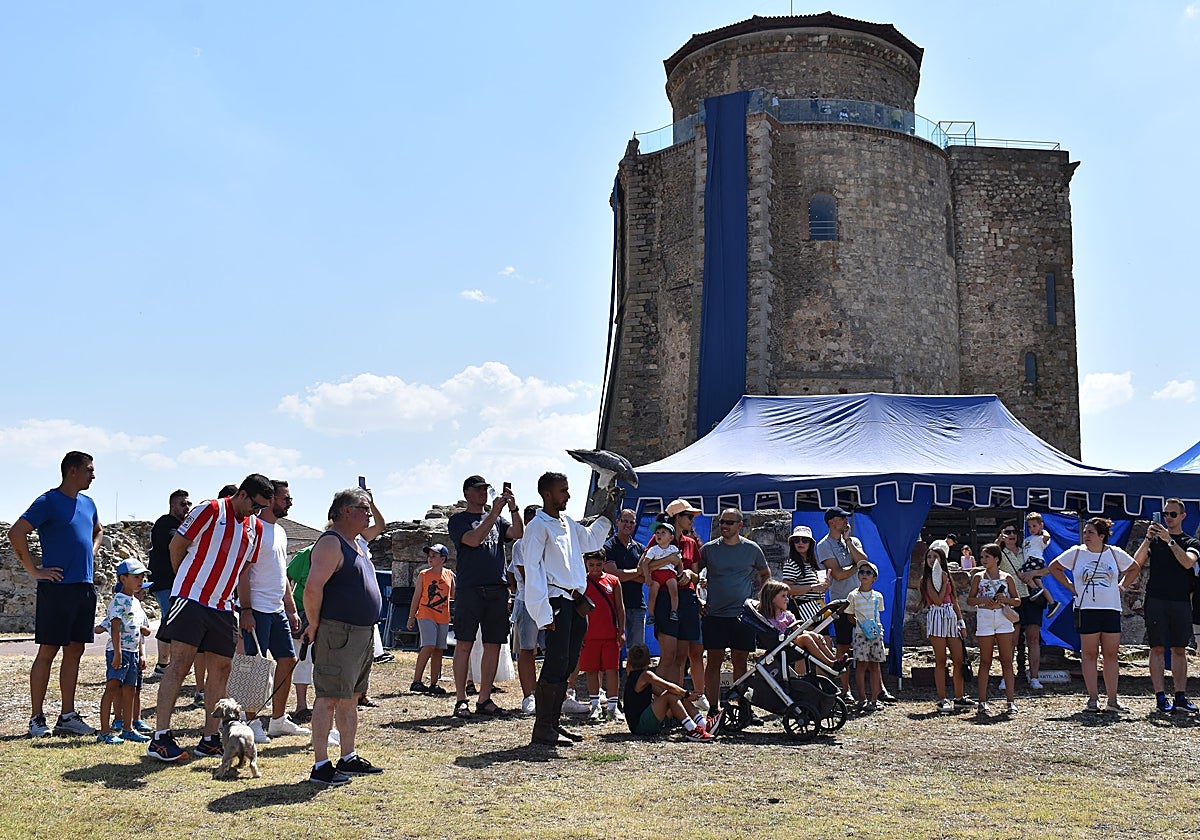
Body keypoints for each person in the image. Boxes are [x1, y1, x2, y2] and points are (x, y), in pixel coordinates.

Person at [146, 473, 273, 763]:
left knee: (222, 668)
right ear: (242, 494)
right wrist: (185, 585)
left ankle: (210, 737)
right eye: (255, 505)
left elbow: (243, 570)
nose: (257, 512)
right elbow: (176, 547)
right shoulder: (210, 510)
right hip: (191, 599)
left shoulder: (255, 527)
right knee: (180, 664)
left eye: (262, 508)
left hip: (223, 606)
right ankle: (160, 737)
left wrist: (246, 609)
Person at [8, 451, 102, 738]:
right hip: (56, 589)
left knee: (75, 650)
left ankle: (67, 716)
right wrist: (34, 571)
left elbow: (98, 531)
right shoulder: (48, 501)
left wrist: (92, 552)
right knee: (48, 651)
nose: (93, 475)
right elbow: (16, 533)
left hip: (83, 587)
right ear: (72, 471)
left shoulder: (88, 503)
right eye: (89, 470)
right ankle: (36, 718)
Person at [521, 471, 614, 746]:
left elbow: (591, 541)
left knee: (569, 664)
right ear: (547, 494)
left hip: (576, 603)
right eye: (563, 490)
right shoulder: (538, 527)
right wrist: (542, 612)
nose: (568, 495)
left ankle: (553, 724)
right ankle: (543, 728)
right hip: (555, 601)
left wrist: (608, 512)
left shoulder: (567, 523)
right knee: (555, 664)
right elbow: (533, 569)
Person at [302, 488, 386, 785]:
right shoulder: (331, 543)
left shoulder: (356, 543)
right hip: (338, 632)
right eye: (364, 508)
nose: (369, 513)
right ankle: (321, 765)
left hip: (361, 633)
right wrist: (314, 625)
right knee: (328, 697)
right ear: (346, 511)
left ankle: (348, 757)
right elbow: (312, 589)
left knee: (351, 697)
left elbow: (380, 525)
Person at [236, 479, 310, 744]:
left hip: (276, 608)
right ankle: (251, 721)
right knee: (255, 666)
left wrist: (291, 609)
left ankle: (277, 720)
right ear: (269, 500)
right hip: (255, 608)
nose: (289, 503)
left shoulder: (280, 531)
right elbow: (243, 572)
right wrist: (245, 609)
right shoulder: (253, 529)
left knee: (288, 661)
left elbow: (282, 575)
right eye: (285, 499)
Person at [447, 475, 523, 719]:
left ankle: (484, 698)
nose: (483, 493)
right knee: (464, 643)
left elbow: (518, 532)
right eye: (478, 490)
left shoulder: (499, 520)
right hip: (470, 589)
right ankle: (461, 698)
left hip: (496, 590)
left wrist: (512, 507)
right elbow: (473, 539)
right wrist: (493, 513)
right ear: (467, 493)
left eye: (485, 490)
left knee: (493, 644)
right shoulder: (458, 520)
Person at [1049, 518, 1138, 714]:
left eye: (1090, 532)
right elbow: (1054, 567)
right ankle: (1092, 698)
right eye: (1085, 532)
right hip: (1086, 609)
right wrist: (1071, 587)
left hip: (1110, 609)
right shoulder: (1077, 552)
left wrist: (1122, 586)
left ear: (1101, 536)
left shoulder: (1115, 553)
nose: (1086, 536)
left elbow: (1134, 568)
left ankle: (1113, 700)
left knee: (1111, 655)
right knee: (1089, 654)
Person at [696, 509, 770, 717]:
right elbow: (693, 574)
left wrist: (761, 602)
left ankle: (744, 708)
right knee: (713, 662)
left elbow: (765, 574)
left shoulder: (752, 549)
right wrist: (698, 599)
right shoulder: (709, 550)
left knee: (741, 661)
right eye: (721, 522)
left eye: (729, 522)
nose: (724, 526)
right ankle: (713, 708)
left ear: (740, 525)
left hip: (742, 615)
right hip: (715, 615)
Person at [1131, 499, 1200, 713]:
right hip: (1156, 599)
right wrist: (1148, 538)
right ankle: (1160, 696)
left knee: (1179, 649)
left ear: (1182, 517)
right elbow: (1136, 562)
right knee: (1157, 648)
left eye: (1172, 514)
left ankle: (1180, 695)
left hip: (1180, 600)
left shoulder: (1191, 542)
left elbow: (1188, 562)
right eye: (1165, 514)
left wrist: (1170, 541)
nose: (1168, 518)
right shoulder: (1155, 542)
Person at [652, 499, 708, 715]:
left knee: (680, 658)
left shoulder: (691, 542)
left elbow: (696, 574)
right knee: (667, 656)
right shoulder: (657, 539)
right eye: (689, 516)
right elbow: (643, 568)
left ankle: (674, 707)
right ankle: (658, 707)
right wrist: (671, 563)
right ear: (677, 517)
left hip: (688, 601)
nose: (692, 521)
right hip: (666, 600)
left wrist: (687, 574)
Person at [95, 559, 152, 744]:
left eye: (142, 577)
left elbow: (138, 626)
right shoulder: (118, 600)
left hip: (133, 651)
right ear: (123, 578)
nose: (140, 581)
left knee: (130, 689)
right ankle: (104, 731)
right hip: (119, 651)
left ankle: (128, 728)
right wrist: (117, 653)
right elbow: (115, 627)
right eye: (136, 577)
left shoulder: (136, 602)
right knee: (112, 688)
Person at [818, 506, 870, 702]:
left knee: (869, 643)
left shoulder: (853, 541)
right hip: (843, 602)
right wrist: (857, 566)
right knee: (843, 647)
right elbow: (838, 575)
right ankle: (845, 688)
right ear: (832, 522)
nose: (846, 521)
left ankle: (874, 690)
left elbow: (864, 561)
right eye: (842, 518)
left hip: (863, 601)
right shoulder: (824, 545)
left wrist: (848, 541)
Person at [967, 543, 1020, 716]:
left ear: (996, 559)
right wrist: (985, 599)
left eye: (986, 557)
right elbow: (970, 600)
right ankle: (982, 702)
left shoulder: (1007, 577)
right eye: (982, 557)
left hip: (1003, 619)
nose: (983, 560)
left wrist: (1005, 599)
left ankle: (1010, 702)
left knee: (1006, 660)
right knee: (985, 661)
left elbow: (1017, 600)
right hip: (985, 618)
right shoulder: (978, 577)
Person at [622, 644, 712, 742]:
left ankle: (703, 724)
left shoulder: (631, 674)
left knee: (675, 694)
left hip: (640, 724)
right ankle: (693, 729)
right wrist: (687, 694)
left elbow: (660, 692)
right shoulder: (646, 675)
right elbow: (669, 686)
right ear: (648, 660)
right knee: (671, 694)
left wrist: (680, 697)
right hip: (641, 725)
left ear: (629, 662)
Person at [919, 547, 969, 712]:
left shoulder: (947, 577)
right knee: (941, 660)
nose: (931, 560)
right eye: (929, 557)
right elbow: (938, 600)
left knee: (958, 660)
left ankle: (959, 696)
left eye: (935, 557)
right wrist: (944, 583)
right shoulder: (926, 579)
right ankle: (942, 698)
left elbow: (953, 601)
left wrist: (961, 623)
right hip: (937, 616)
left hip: (951, 617)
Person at [147, 489, 190, 677]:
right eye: (183, 504)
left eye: (189, 504)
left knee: (173, 620)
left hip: (175, 582)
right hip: (165, 582)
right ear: (172, 506)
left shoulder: (182, 526)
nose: (187, 507)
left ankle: (167, 664)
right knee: (170, 620)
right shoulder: (165, 523)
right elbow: (175, 541)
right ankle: (163, 665)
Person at [756, 579, 844, 668]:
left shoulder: (787, 615)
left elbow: (799, 630)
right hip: (782, 646)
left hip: (791, 642)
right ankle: (829, 663)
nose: (787, 599)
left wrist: (814, 635)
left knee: (815, 636)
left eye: (787, 596)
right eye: (783, 596)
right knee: (806, 638)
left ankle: (834, 660)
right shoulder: (766, 618)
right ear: (771, 598)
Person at [580, 551, 625, 723]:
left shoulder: (613, 581)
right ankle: (595, 705)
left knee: (612, 670)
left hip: (610, 635)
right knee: (591, 670)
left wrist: (621, 631)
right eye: (591, 565)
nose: (595, 569)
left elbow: (620, 608)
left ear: (604, 563)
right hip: (589, 635)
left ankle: (613, 707)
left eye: (598, 565)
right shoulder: (581, 582)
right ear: (585, 563)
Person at [996, 521, 1039, 691]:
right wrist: (999, 541)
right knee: (1011, 640)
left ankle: (1034, 677)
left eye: (1014, 531)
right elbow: (988, 559)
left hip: (1030, 597)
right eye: (1007, 531)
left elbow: (1043, 567)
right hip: (1011, 599)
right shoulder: (1000, 553)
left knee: (1033, 638)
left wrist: (1032, 574)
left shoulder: (1026, 551)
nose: (1011, 534)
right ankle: (1006, 677)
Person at [508, 505, 542, 714]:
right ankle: (529, 695)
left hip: (548, 600)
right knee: (527, 650)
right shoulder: (521, 545)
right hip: (528, 602)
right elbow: (528, 576)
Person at [408, 544, 454, 695]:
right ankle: (416, 681)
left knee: (439, 649)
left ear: (443, 559)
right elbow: (416, 596)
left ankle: (434, 683)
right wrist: (411, 616)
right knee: (428, 645)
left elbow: (453, 595)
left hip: (443, 616)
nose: (430, 558)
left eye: (434, 556)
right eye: (429, 556)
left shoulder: (449, 575)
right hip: (426, 614)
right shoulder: (423, 575)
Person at [602, 508, 646, 654]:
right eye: (625, 521)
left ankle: (635, 676)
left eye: (631, 522)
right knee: (615, 648)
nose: (628, 525)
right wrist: (637, 572)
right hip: (616, 606)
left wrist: (628, 574)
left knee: (637, 650)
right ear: (617, 522)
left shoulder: (640, 548)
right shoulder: (608, 547)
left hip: (637, 605)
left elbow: (646, 577)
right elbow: (613, 575)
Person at [846, 562, 887, 712]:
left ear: (874, 578)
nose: (864, 574)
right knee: (861, 665)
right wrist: (860, 625)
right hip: (860, 634)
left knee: (875, 666)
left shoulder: (878, 596)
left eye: (868, 573)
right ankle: (862, 698)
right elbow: (850, 615)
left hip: (876, 634)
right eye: (862, 572)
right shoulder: (853, 595)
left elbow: (878, 613)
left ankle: (874, 699)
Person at [781, 525, 828, 625]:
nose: (800, 543)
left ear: (810, 543)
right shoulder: (791, 563)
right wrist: (812, 587)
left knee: (824, 640)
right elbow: (787, 589)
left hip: (817, 608)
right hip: (802, 610)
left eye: (805, 540)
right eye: (796, 540)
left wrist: (823, 585)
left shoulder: (813, 563)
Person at [642, 523, 682, 622]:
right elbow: (645, 563)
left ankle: (674, 611)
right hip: (656, 574)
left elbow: (680, 563)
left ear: (671, 537)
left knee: (674, 591)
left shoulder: (674, 549)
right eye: (657, 533)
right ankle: (651, 615)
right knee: (652, 594)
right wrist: (647, 576)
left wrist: (680, 573)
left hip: (670, 573)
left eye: (663, 533)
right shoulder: (653, 549)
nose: (659, 535)